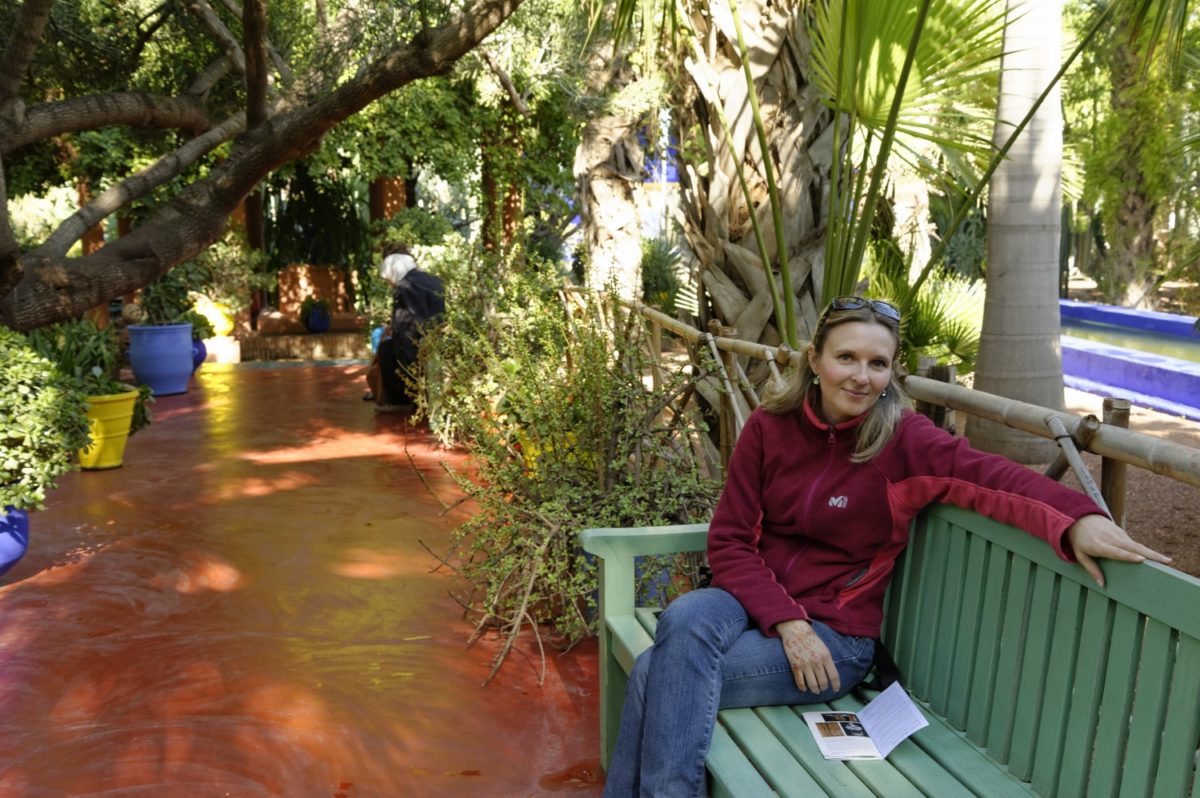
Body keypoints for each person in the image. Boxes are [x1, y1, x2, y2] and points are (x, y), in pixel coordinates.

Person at [603, 296, 1172, 797]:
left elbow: (992, 478)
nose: (861, 376)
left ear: (891, 372)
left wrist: (1075, 519)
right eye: (846, 357)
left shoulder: (905, 442)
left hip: (836, 638)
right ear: (815, 361)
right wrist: (785, 622)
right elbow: (730, 541)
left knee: (659, 671)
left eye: (877, 363)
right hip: (753, 604)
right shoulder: (769, 429)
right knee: (684, 615)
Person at [364, 243, 445, 411]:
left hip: (418, 346)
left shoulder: (404, 287)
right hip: (438, 340)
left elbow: (405, 330)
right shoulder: (433, 280)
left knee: (387, 349)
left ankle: (400, 400)